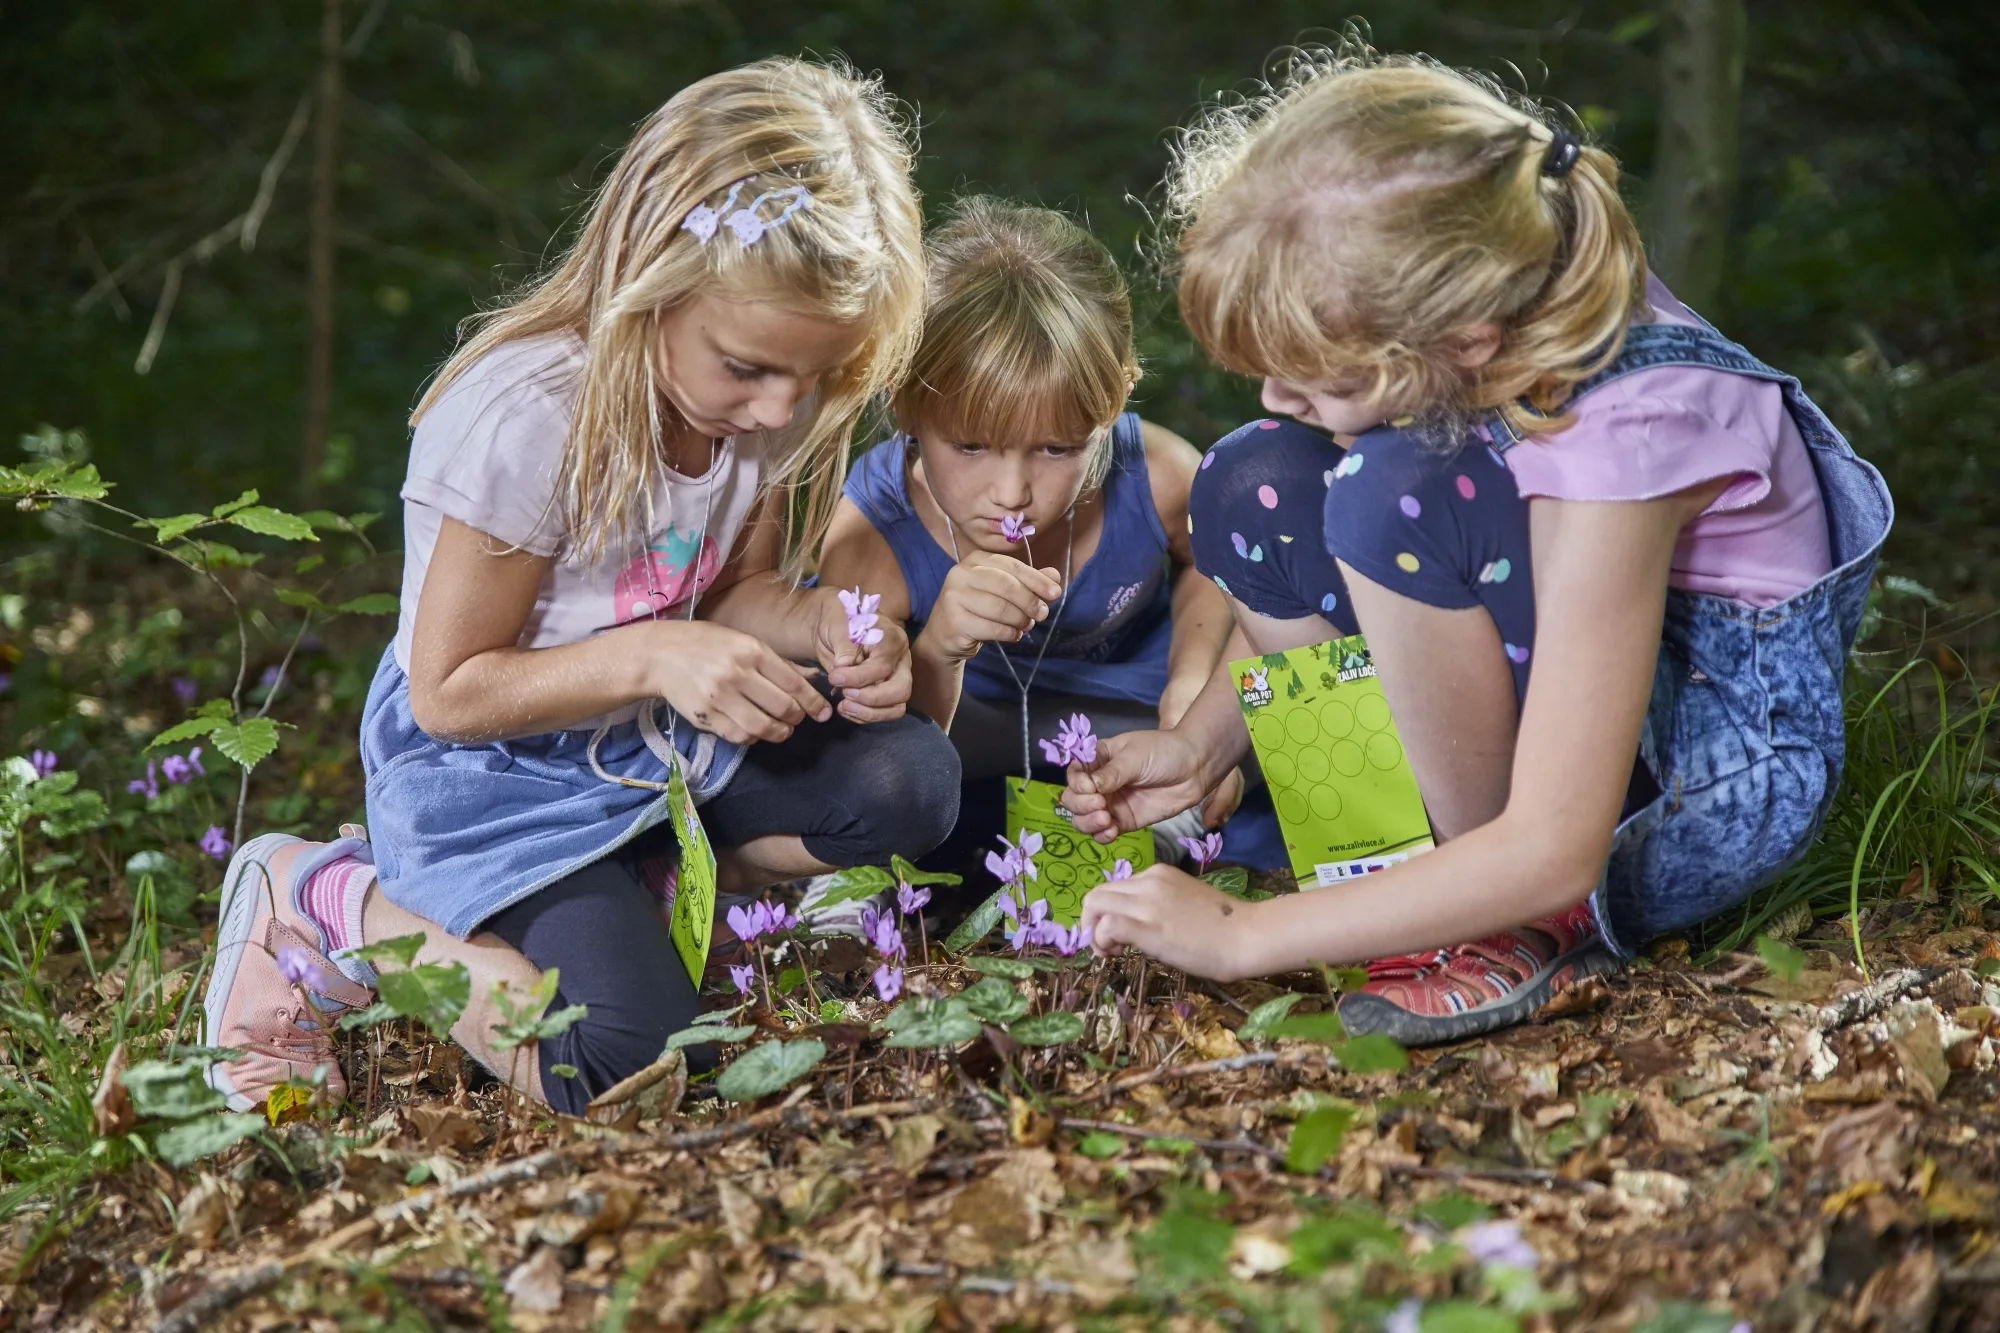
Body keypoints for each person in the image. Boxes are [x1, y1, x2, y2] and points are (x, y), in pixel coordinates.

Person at [1066, 42, 1892, 1045]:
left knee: (1388, 492)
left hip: (1674, 784)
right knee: (1253, 478)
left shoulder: (1626, 436)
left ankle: (1497, 917)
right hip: (1565, 704)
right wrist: (1200, 746)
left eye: (1319, 380)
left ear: (1462, 342)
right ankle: (1395, 857)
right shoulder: (1504, 291)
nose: (1279, 398)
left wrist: (1244, 934)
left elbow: (1555, 842)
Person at [202, 57, 958, 1115]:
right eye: (747, 367)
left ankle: (649, 879)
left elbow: (734, 594)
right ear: (650, 281)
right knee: (623, 1066)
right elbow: (449, 692)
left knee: (908, 779)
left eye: (816, 377)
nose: (781, 410)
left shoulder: (753, 415)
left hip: (652, 742)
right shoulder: (527, 421)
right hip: (493, 775)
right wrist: (655, 652)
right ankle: (325, 896)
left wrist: (822, 624)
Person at [817, 197, 1237, 858]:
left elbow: (1211, 563)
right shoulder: (871, 540)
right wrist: (942, 647)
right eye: (971, 447)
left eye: (1057, 449)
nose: (1011, 494)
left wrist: (1190, 688)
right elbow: (882, 746)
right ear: (902, 400)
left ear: (1114, 400)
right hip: (965, 731)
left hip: (1128, 722)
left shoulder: (1156, 476)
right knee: (858, 781)